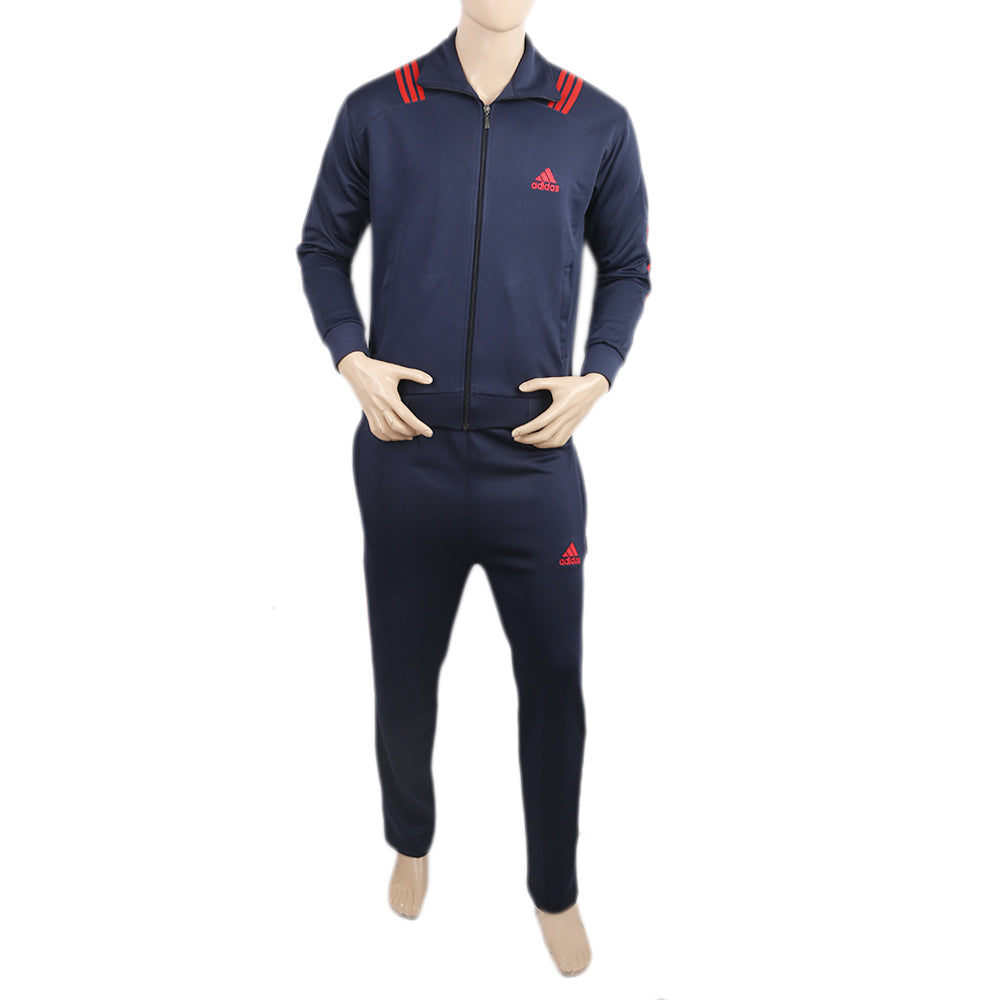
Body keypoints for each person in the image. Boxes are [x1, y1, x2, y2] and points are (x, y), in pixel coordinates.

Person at [296, 0, 651, 977]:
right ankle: (410, 838)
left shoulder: (593, 121)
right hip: (401, 452)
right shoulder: (381, 110)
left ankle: (554, 887)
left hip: (535, 462)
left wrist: (599, 372)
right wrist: (350, 356)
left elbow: (627, 265)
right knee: (404, 678)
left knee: (555, 686)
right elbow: (322, 246)